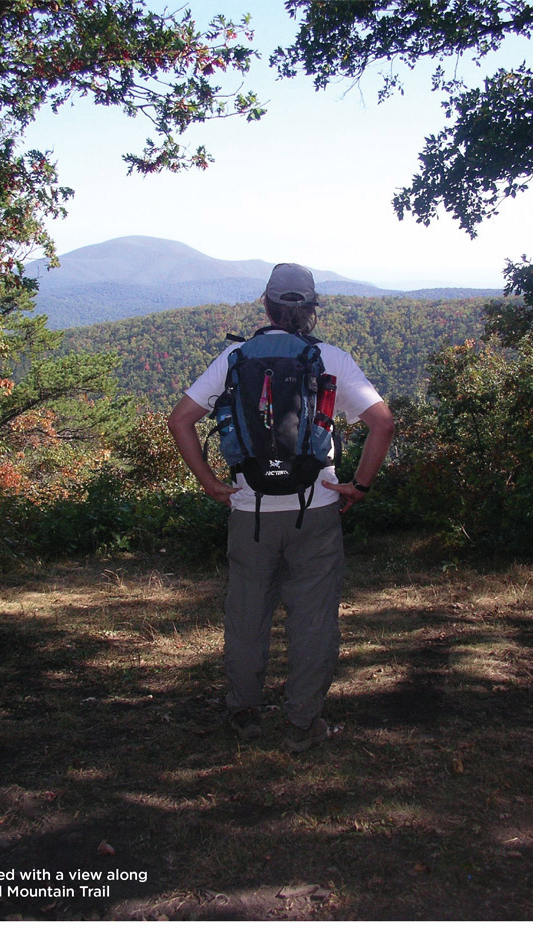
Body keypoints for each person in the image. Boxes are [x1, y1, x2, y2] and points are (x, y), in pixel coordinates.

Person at [168, 263, 394, 752]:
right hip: (316, 507)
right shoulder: (331, 358)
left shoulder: (233, 358)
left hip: (248, 511)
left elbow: (181, 420)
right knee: (312, 620)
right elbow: (383, 424)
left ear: (266, 305)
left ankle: (245, 713)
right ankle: (300, 723)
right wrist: (358, 486)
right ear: (310, 311)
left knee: (247, 615)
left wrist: (209, 482)